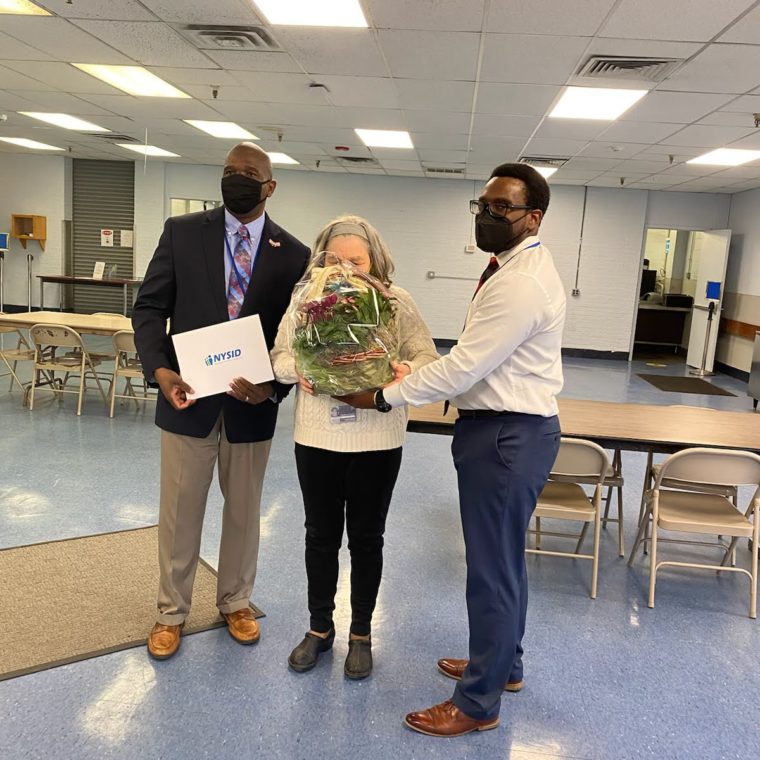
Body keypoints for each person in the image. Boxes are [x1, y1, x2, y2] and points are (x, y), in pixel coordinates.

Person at [339, 164, 566, 735]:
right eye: (481, 206)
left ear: (532, 218)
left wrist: (386, 395)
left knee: (491, 570)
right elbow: (473, 360)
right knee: (505, 561)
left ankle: (477, 702)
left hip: (505, 437)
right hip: (508, 429)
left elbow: (467, 365)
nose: (487, 217)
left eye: (501, 209)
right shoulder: (512, 267)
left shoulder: (519, 282)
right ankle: (502, 663)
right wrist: (418, 372)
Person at [132, 142, 310, 660]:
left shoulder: (294, 254)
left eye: (248, 173)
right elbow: (149, 308)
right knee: (180, 514)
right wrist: (160, 370)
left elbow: (297, 341)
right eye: (229, 171)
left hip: (251, 408)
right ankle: (170, 613)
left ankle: (235, 600)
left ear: (269, 186)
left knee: (244, 513)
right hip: (187, 400)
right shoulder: (182, 233)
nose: (236, 179)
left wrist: (274, 388)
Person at [270, 216, 438, 680]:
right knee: (319, 536)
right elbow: (280, 354)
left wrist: (405, 369)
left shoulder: (394, 301)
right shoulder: (307, 299)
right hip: (317, 436)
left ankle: (360, 633)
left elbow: (427, 357)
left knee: (367, 538)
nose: (346, 268)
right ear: (320, 260)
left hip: (377, 438)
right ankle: (320, 628)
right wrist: (296, 370)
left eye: (356, 260)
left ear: (375, 260)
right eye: (335, 259)